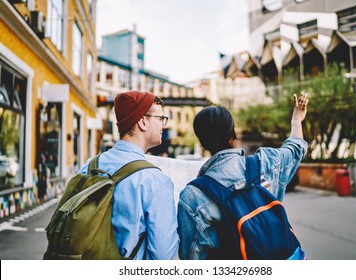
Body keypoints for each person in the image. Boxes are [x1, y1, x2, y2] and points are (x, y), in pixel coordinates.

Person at [177, 92, 309, 260]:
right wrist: (296, 120)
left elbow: (192, 258)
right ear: (234, 134)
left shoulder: (193, 196)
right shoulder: (266, 161)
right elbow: (295, 147)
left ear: (202, 143)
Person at [77, 90, 179, 260]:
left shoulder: (88, 167)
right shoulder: (155, 182)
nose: (164, 125)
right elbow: (163, 257)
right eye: (160, 118)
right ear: (142, 121)